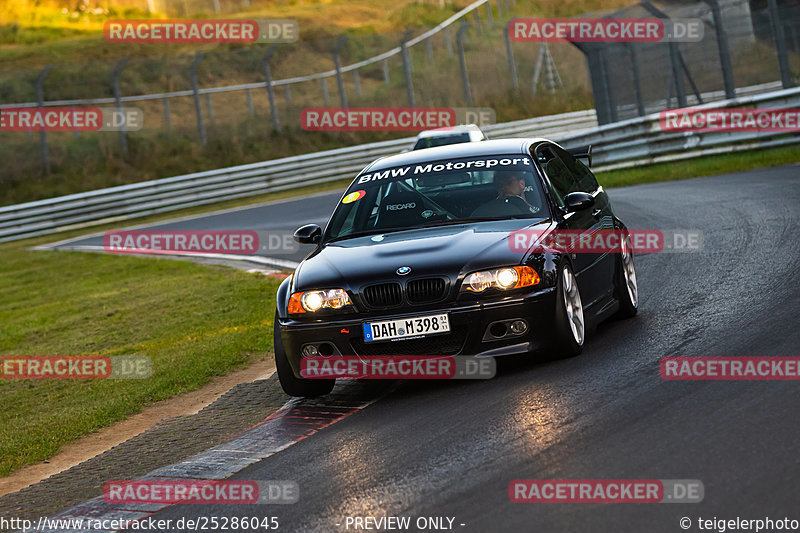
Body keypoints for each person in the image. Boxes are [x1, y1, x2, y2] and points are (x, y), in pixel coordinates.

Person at [470, 171, 539, 217]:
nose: (503, 186)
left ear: (522, 184)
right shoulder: (484, 212)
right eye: (499, 183)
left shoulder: (538, 209)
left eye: (508, 182)